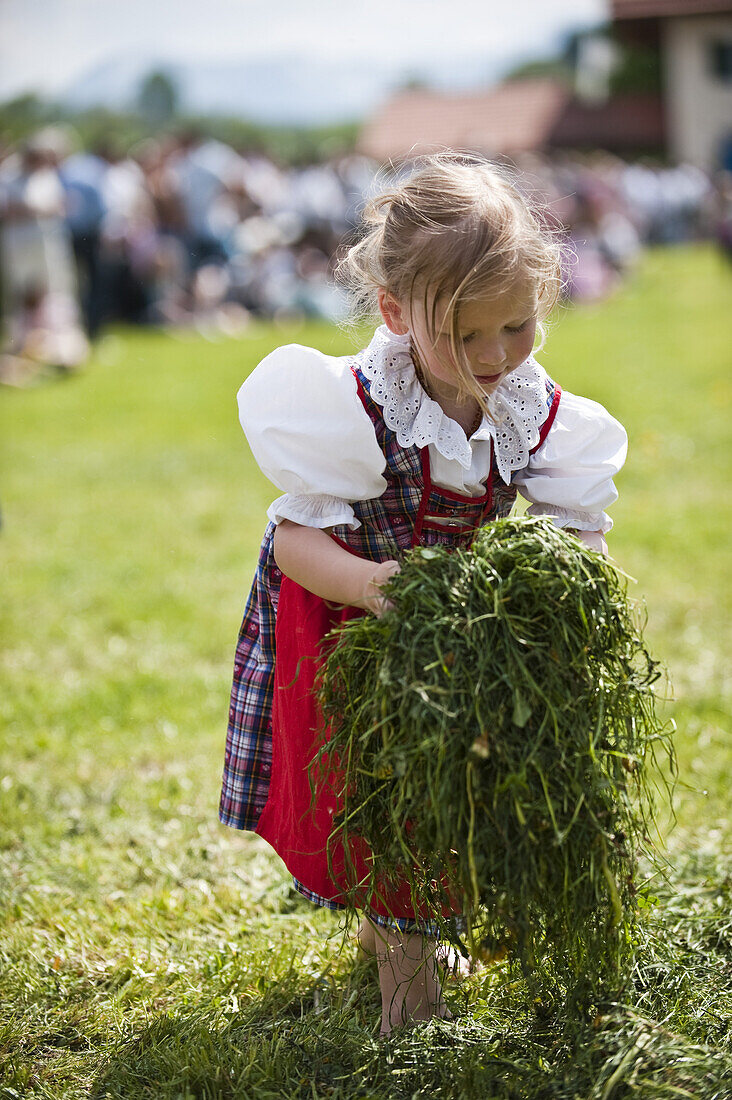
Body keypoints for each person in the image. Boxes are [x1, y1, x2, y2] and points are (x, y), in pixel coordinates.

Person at [219, 154, 628, 1035]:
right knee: (381, 795)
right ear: (398, 313)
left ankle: (401, 929)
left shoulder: (530, 405)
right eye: (466, 336)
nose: (493, 358)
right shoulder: (355, 409)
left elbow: (576, 518)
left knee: (462, 781)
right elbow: (295, 540)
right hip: (356, 623)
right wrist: (372, 586)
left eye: (516, 327)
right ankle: (406, 990)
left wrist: (566, 575)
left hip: (457, 632)